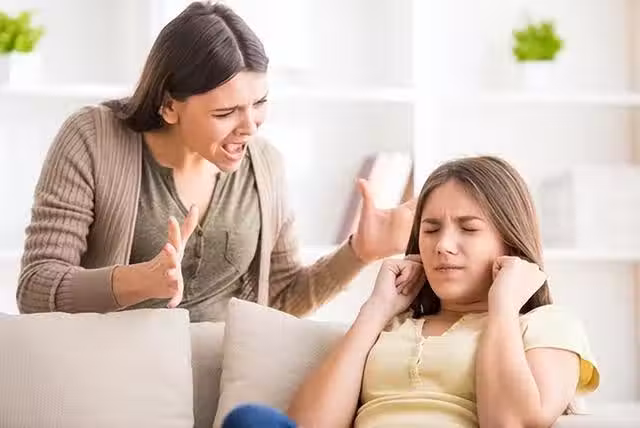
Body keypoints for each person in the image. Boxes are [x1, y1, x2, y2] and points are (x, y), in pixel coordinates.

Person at [15, 2, 414, 321]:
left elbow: (280, 301)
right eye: (225, 113)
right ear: (169, 105)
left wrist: (358, 253)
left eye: (259, 103)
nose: (250, 127)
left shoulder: (264, 166)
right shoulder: (93, 138)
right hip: (123, 376)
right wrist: (140, 281)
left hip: (228, 378)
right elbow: (35, 288)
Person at [223, 155, 600, 428]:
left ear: (510, 242)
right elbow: (308, 425)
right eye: (431, 230)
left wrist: (501, 309)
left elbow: (510, 424)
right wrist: (375, 310)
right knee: (251, 420)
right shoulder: (391, 326)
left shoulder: (546, 325)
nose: (443, 246)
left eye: (468, 229)